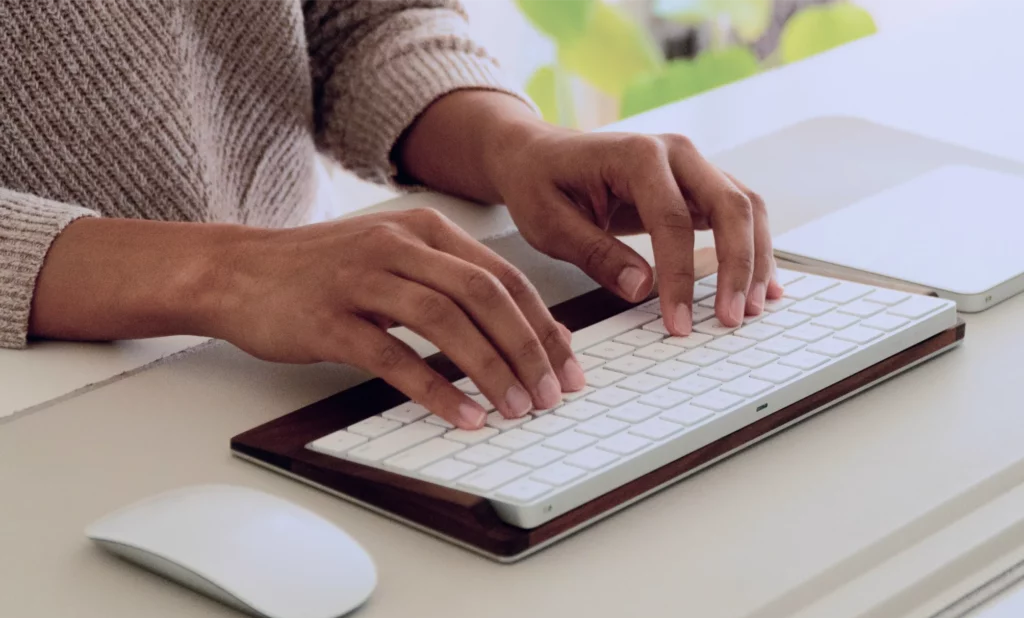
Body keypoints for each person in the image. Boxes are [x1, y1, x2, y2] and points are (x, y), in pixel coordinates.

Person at [0, 1, 782, 430]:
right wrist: (225, 270)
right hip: (38, 396)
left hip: (289, 350)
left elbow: (360, 20)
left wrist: (514, 142)